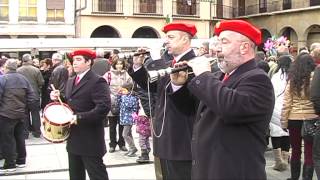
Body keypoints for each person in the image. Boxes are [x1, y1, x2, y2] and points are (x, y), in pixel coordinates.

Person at [182, 19, 275, 179]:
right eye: (217, 43)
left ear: (244, 47)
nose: (216, 49)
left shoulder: (258, 79)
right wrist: (178, 86)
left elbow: (230, 108)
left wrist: (204, 76)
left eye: (223, 42)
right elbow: (192, 109)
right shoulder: (219, 76)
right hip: (209, 170)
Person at [128, 22, 198, 179]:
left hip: (181, 138)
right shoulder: (169, 63)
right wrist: (139, 66)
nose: (166, 41)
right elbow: (152, 86)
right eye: (166, 37)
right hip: (164, 137)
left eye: (171, 37)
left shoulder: (193, 63)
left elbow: (186, 99)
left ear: (185, 39)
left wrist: (157, 58)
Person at [50, 49, 110, 180]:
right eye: (73, 60)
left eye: (78, 60)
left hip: (90, 139)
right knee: (75, 175)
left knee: (97, 175)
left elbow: (103, 108)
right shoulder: (71, 80)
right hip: (73, 137)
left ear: (88, 62)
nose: (74, 63)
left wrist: (78, 117)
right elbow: (70, 101)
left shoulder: (98, 81)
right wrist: (58, 97)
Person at [281, 53, 316, 180]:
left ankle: (294, 177)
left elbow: (287, 104)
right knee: (309, 152)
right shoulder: (316, 79)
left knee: (295, 150)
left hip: (294, 118)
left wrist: (284, 122)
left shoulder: (292, 80)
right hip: (311, 118)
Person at [0, 59, 38, 172]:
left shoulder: (3, 79)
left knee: (7, 139)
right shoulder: (23, 79)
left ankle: (10, 164)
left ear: (6, 68)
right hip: (21, 114)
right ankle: (21, 160)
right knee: (19, 137)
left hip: (5, 114)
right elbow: (32, 96)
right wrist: (25, 108)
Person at [103, 58, 132, 153]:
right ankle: (112, 144)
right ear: (114, 65)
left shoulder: (126, 74)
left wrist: (124, 90)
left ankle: (122, 144)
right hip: (112, 102)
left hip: (123, 102)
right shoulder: (108, 74)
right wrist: (110, 96)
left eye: (121, 64)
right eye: (117, 64)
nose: (119, 66)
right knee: (112, 125)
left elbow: (131, 85)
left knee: (122, 125)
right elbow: (103, 86)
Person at [269, 55, 292, 171]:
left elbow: (271, 93)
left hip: (275, 107)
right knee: (287, 133)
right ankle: (285, 159)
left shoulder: (276, 77)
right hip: (289, 108)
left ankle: (279, 162)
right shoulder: (293, 77)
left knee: (275, 132)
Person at [17, 54, 44, 138]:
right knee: (35, 114)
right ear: (29, 60)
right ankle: (37, 132)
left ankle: (25, 133)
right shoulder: (36, 70)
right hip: (34, 96)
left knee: (25, 115)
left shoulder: (18, 71)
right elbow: (41, 82)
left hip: (22, 96)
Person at [117, 83, 139, 157]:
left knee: (125, 134)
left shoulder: (132, 97)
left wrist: (123, 97)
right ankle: (131, 149)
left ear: (128, 90)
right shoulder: (125, 96)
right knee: (129, 134)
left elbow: (128, 105)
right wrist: (119, 96)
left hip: (129, 118)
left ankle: (133, 148)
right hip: (125, 118)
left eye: (123, 90)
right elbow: (119, 104)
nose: (122, 92)